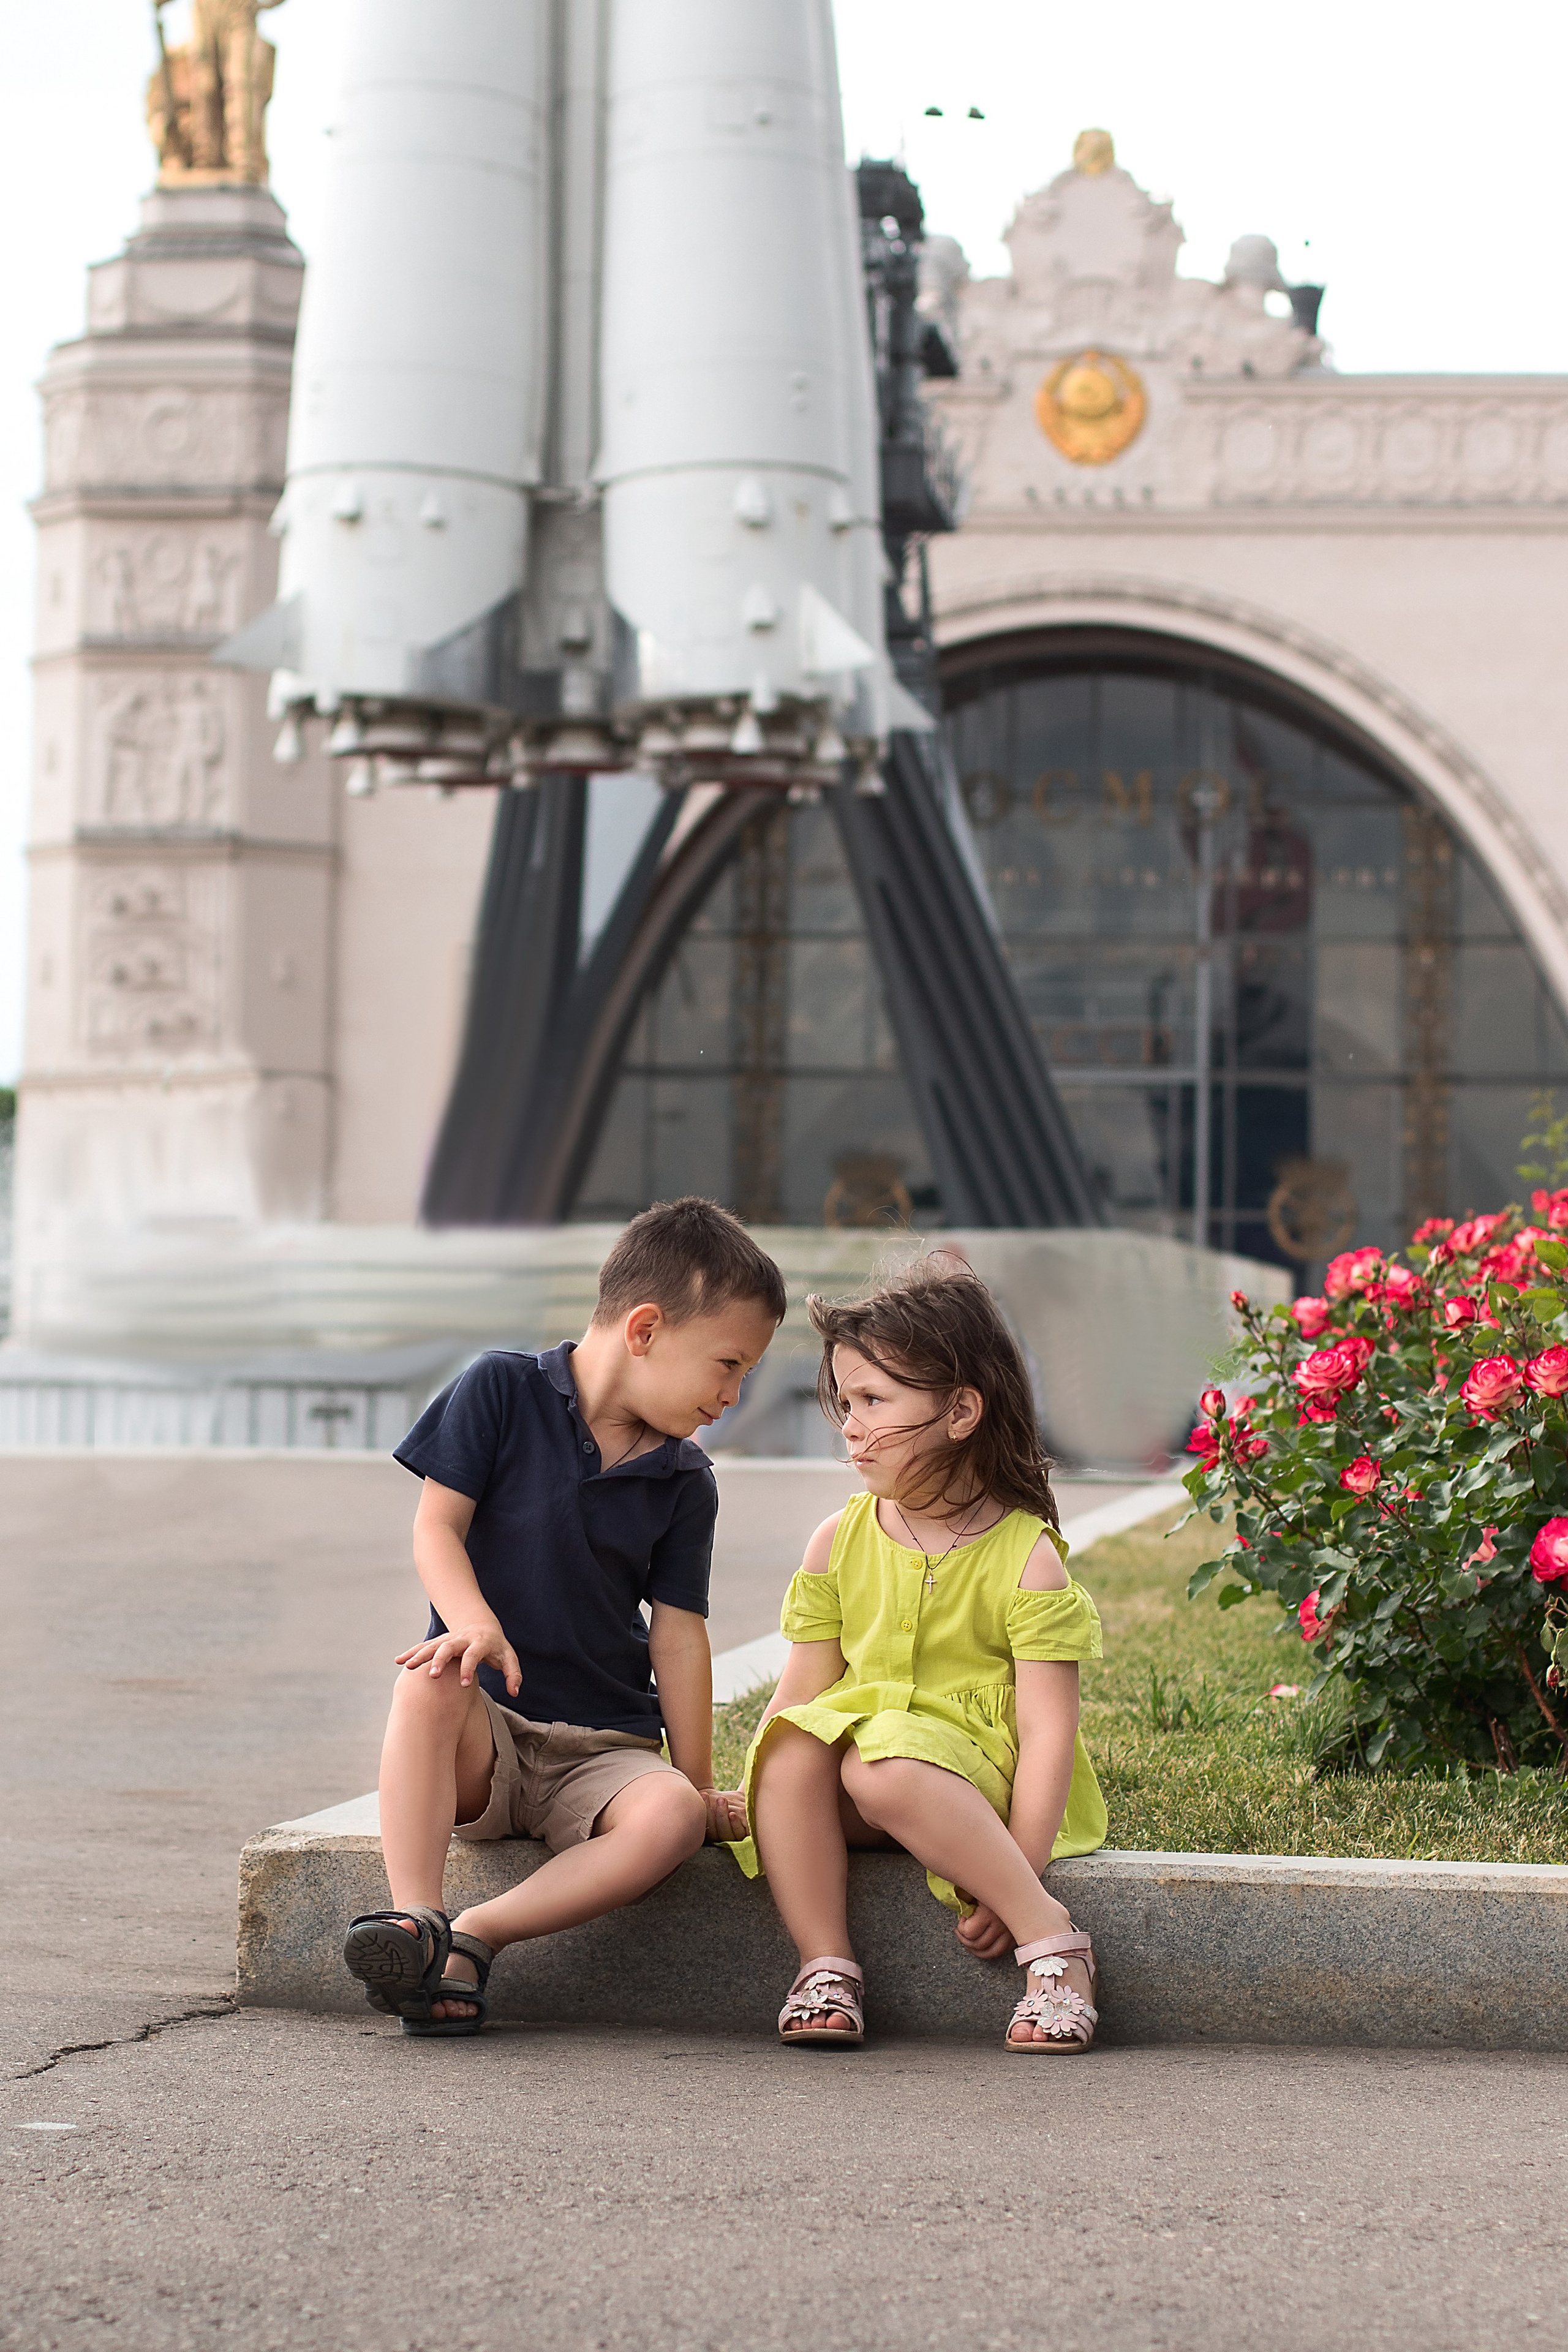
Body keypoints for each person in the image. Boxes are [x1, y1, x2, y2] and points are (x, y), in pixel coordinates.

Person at [343, 1197, 786, 2036]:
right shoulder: (501, 1389)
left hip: (603, 1752)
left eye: (745, 1376)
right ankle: (417, 1921)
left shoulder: (685, 1479)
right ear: (646, 1328)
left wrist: (693, 1785)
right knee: (431, 1676)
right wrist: (471, 1622)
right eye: (727, 1365)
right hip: (489, 1735)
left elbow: (679, 1635)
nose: (732, 1394)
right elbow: (437, 1527)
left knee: (669, 1818)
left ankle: (475, 1939)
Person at [723, 1258, 1107, 2052]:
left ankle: (1053, 1941)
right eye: (844, 1402)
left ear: (962, 1411)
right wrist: (748, 1790)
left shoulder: (1026, 1555)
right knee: (795, 1746)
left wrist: (1017, 1877)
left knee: (880, 1763)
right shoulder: (838, 1540)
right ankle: (825, 1963)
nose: (850, 1425)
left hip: (969, 1784)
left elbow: (1047, 1734)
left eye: (873, 1401)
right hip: (869, 1780)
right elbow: (798, 1697)